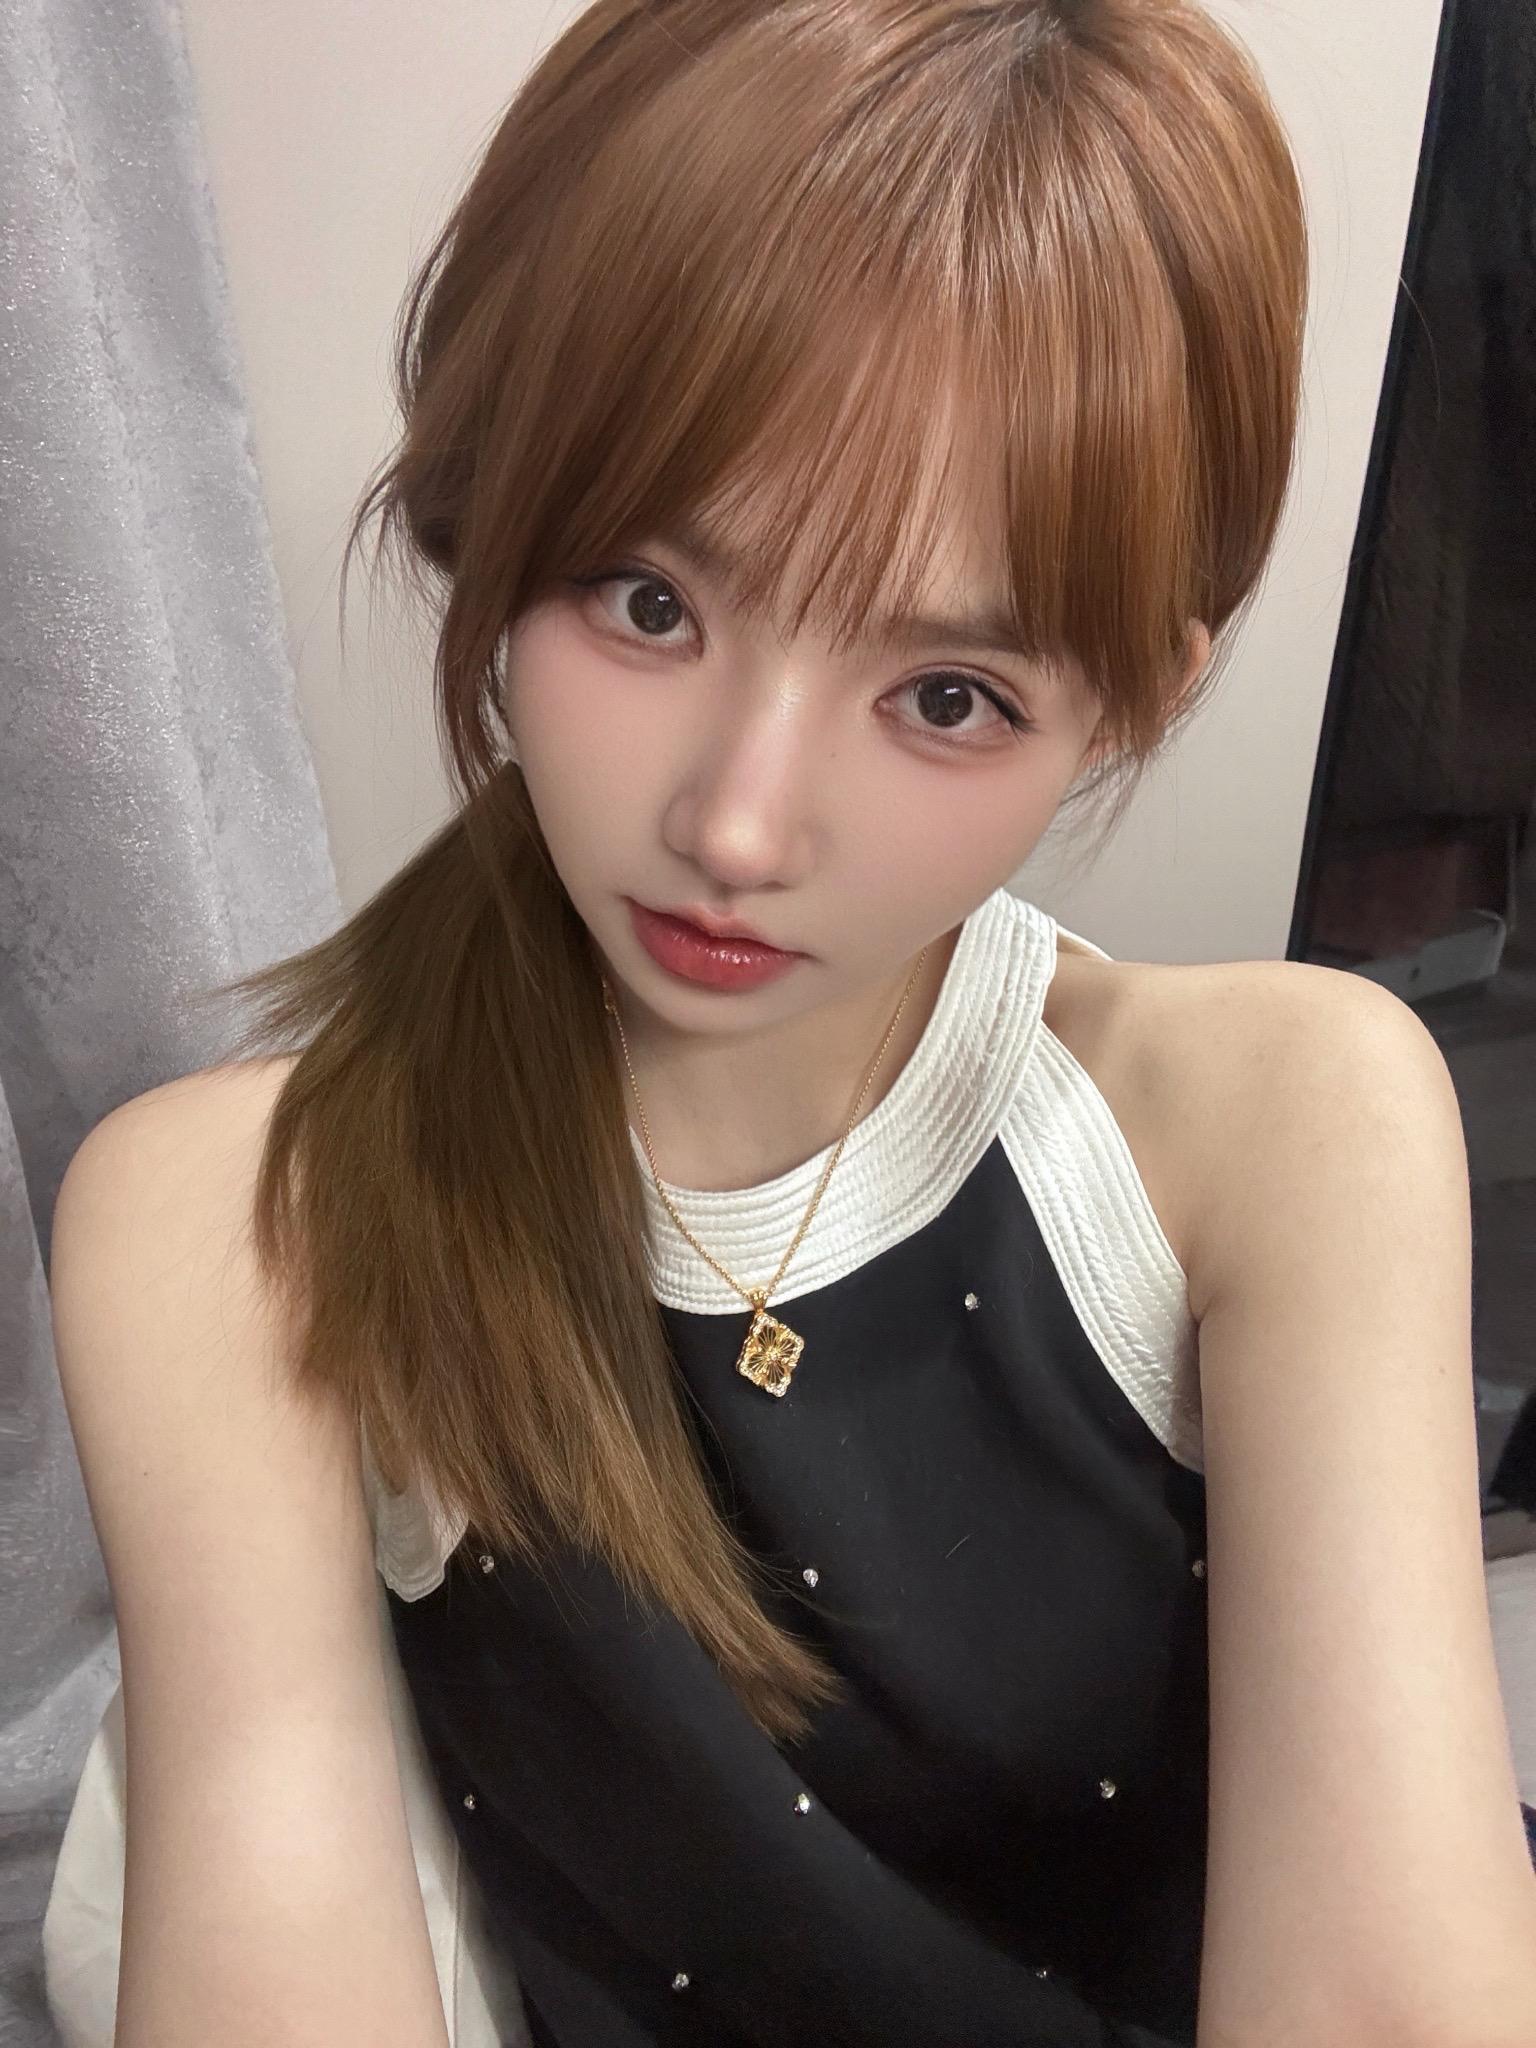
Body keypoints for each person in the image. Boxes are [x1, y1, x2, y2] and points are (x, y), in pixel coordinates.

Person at [38, 1, 1536, 2044]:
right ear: (489, 504)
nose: (736, 827)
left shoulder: (1275, 1131)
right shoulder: (235, 1222)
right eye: (648, 600)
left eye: (947, 696)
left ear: (1140, 697)